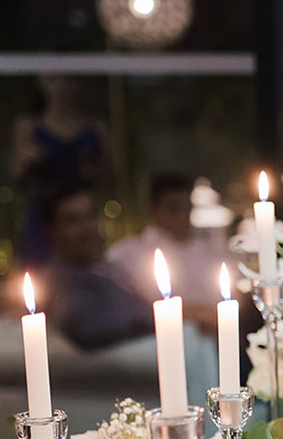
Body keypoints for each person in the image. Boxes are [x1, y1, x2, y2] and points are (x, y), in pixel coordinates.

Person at [39, 182, 153, 351]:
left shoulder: (109, 269)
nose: (86, 228)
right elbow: (86, 325)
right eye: (73, 221)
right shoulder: (61, 281)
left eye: (90, 216)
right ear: (52, 231)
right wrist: (154, 319)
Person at [12, 74, 108, 265]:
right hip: (45, 213)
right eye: (53, 79)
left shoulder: (96, 127)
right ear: (41, 82)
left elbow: (109, 175)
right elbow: (17, 177)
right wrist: (29, 160)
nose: (62, 86)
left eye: (68, 78)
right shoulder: (28, 126)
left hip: (82, 210)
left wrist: (92, 170)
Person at [107, 174, 220, 307]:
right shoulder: (127, 253)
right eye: (174, 208)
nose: (182, 216)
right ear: (152, 209)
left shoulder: (205, 251)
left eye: (187, 208)